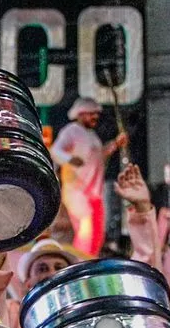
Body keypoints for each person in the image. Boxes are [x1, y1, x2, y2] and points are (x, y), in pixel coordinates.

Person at [49, 97, 126, 256]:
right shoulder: (71, 131)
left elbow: (99, 156)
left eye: (96, 114)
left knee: (97, 234)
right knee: (86, 232)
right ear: (81, 114)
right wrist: (70, 159)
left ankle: (89, 260)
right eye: (91, 114)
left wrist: (115, 144)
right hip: (78, 192)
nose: (95, 117)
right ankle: (81, 262)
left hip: (94, 193)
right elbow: (55, 151)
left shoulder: (91, 135)